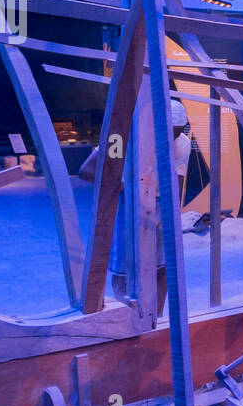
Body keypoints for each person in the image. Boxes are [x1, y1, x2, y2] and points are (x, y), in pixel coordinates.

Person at [79, 99, 196, 314]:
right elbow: (86, 171)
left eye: (177, 133)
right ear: (155, 125)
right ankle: (128, 318)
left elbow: (176, 182)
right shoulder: (123, 138)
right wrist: (120, 184)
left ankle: (156, 318)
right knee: (125, 267)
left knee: (163, 264)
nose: (172, 139)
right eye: (168, 133)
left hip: (158, 204)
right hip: (127, 204)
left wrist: (171, 214)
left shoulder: (181, 143)